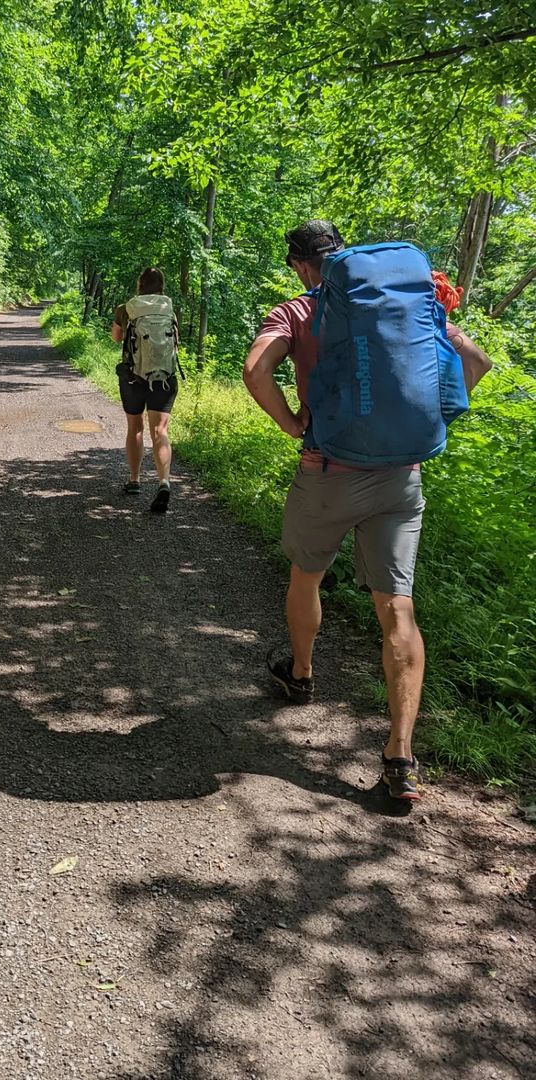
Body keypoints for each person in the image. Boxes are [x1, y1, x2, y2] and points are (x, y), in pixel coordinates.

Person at [242, 220, 492, 801]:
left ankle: (301, 674)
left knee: (307, 576)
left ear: (301, 264)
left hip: (328, 472)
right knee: (397, 607)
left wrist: (292, 424)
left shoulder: (298, 311)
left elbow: (256, 371)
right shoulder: (404, 304)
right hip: (402, 478)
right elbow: (475, 362)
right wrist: (427, 421)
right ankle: (400, 759)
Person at [111, 267, 179, 513]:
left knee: (136, 427)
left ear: (139, 285)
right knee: (160, 430)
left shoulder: (126, 308)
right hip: (164, 378)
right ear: (162, 287)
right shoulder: (168, 308)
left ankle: (134, 480)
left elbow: (116, 338)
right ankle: (164, 482)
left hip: (134, 378)